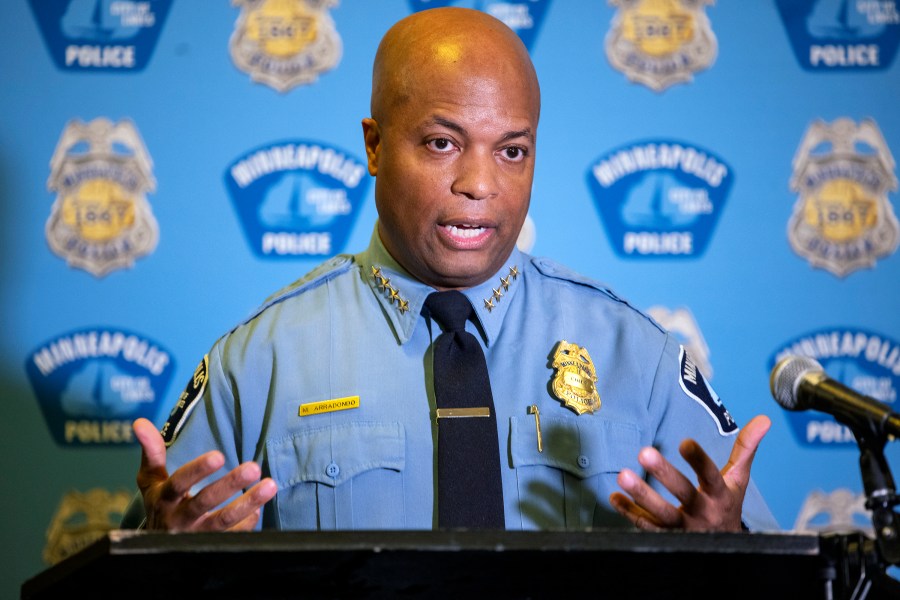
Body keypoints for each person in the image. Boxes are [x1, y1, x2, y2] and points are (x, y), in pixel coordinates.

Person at [124, 6, 779, 533]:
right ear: (375, 146)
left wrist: (729, 554)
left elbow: (772, 569)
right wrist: (167, 558)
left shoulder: (638, 353)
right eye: (443, 143)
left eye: (512, 151)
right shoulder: (256, 362)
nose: (479, 184)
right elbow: (146, 564)